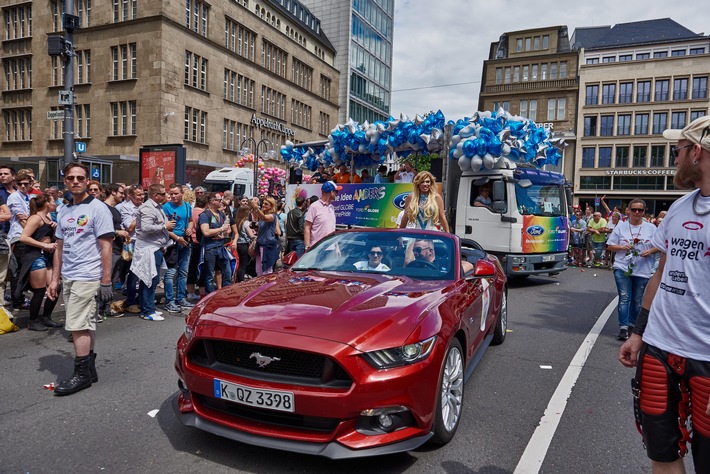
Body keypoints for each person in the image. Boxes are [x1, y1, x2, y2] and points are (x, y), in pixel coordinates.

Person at [619, 115, 710, 473]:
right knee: (662, 453)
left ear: (697, 153)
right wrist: (639, 332)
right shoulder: (678, 207)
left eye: (678, 150)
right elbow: (661, 272)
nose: (674, 157)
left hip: (705, 357)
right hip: (659, 347)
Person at [48, 162, 114, 396]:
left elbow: (106, 247)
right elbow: (59, 248)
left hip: (88, 275)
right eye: (71, 177)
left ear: (87, 181)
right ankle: (90, 370)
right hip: (70, 276)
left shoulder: (98, 209)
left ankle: (82, 374)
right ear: (64, 181)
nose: (75, 181)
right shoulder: (64, 210)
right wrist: (55, 279)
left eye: (80, 177)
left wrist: (106, 281)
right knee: (85, 324)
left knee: (78, 326)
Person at [606, 199, 657, 341]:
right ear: (628, 211)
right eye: (634, 209)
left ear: (644, 212)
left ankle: (632, 326)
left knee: (637, 300)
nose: (636, 212)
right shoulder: (621, 227)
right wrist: (622, 247)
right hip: (622, 267)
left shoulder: (651, 228)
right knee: (624, 298)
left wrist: (651, 251)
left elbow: (661, 245)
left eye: (640, 210)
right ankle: (623, 328)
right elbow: (610, 245)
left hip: (643, 269)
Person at [18, 194, 62, 331]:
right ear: (47, 204)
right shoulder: (35, 217)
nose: (55, 203)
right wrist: (45, 246)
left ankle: (46, 317)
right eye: (53, 201)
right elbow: (24, 237)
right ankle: (33, 320)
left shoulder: (48, 217)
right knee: (39, 290)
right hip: (35, 257)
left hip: (46, 258)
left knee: (56, 287)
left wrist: (54, 229)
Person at [132, 184, 175, 321]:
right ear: (155, 195)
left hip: (155, 247)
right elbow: (145, 227)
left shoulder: (157, 207)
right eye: (163, 194)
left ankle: (148, 308)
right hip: (148, 248)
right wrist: (164, 226)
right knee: (149, 279)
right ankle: (147, 310)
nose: (165, 196)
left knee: (151, 279)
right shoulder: (147, 208)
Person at [162, 183, 194, 314]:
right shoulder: (166, 207)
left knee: (183, 271)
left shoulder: (187, 206)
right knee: (170, 272)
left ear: (182, 194)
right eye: (171, 194)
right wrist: (176, 237)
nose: (173, 196)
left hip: (185, 242)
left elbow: (191, 220)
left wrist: (190, 229)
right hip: (172, 243)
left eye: (176, 193)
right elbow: (163, 227)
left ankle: (181, 297)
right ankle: (169, 300)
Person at [99, 184, 128, 319]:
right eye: (121, 193)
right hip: (108, 249)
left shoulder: (115, 209)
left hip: (117, 248)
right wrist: (118, 232)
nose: (123, 195)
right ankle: (99, 310)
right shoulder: (103, 208)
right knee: (105, 278)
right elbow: (102, 229)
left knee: (113, 278)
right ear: (113, 192)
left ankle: (107, 308)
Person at [198, 192, 232, 293]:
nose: (221, 202)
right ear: (212, 201)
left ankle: (226, 294)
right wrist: (220, 230)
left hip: (221, 247)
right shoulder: (205, 215)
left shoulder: (221, 214)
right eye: (219, 200)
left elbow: (228, 229)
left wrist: (223, 232)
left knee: (227, 272)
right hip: (210, 248)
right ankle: (210, 296)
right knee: (209, 275)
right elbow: (206, 231)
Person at [249, 196, 280, 276]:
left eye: (266, 204)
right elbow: (259, 219)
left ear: (271, 206)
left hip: (268, 245)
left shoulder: (272, 216)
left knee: (267, 271)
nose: (263, 205)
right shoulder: (264, 215)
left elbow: (263, 217)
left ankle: (267, 287)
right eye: (263, 203)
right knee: (258, 270)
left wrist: (256, 208)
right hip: (260, 244)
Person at [304, 181, 341, 250]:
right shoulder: (314, 207)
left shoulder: (331, 207)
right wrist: (307, 247)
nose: (337, 194)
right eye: (336, 192)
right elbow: (307, 227)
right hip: (317, 248)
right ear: (331, 192)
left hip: (330, 248)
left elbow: (332, 229)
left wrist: (336, 246)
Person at [186, 194, 207, 298]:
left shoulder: (191, 212)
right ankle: (202, 291)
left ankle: (190, 292)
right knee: (201, 267)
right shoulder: (204, 213)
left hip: (191, 240)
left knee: (191, 267)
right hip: (200, 242)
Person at [232, 204, 256, 282]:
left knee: (240, 263)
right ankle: (241, 280)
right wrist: (255, 238)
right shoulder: (245, 223)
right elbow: (251, 235)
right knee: (243, 264)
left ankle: (238, 279)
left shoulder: (236, 221)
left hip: (238, 243)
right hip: (244, 244)